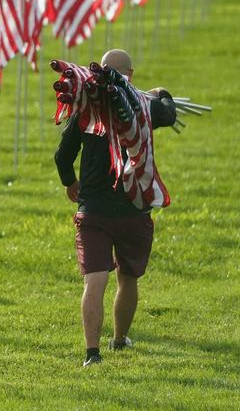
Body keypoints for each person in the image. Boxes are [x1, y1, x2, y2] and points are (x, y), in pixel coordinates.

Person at [54, 49, 177, 367]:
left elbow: (62, 156)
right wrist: (161, 91)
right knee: (128, 278)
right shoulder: (145, 106)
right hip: (134, 209)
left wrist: (71, 182)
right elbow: (169, 112)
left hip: (93, 208)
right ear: (130, 74)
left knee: (95, 280)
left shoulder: (85, 107)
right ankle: (120, 339)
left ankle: (91, 354)